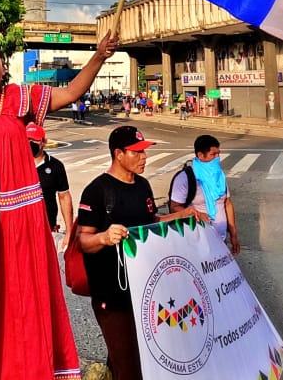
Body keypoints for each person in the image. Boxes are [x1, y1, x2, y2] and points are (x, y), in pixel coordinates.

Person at [0, 30, 119, 380]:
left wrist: (100, 56)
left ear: (3, 68)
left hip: (22, 222)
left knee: (25, 302)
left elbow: (73, 91)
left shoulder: (21, 97)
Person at [76, 125, 201, 380]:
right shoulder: (98, 191)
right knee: (131, 367)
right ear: (118, 154)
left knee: (135, 356)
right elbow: (82, 240)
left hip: (145, 292)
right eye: (137, 152)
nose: (144, 157)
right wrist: (104, 236)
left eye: (144, 151)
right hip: (111, 296)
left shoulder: (143, 186)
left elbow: (150, 222)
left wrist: (180, 217)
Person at [168, 134, 241, 255]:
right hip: (197, 243)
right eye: (213, 154)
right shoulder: (186, 178)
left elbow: (227, 203)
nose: (218, 158)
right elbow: (174, 207)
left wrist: (233, 234)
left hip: (221, 240)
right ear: (201, 155)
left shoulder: (219, 175)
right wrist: (196, 215)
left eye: (219, 153)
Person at [27, 122, 74, 251]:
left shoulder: (56, 166)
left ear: (44, 142)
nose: (30, 143)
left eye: (34, 140)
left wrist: (69, 232)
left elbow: (64, 197)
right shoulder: (16, 164)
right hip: (21, 231)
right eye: (27, 139)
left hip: (47, 230)